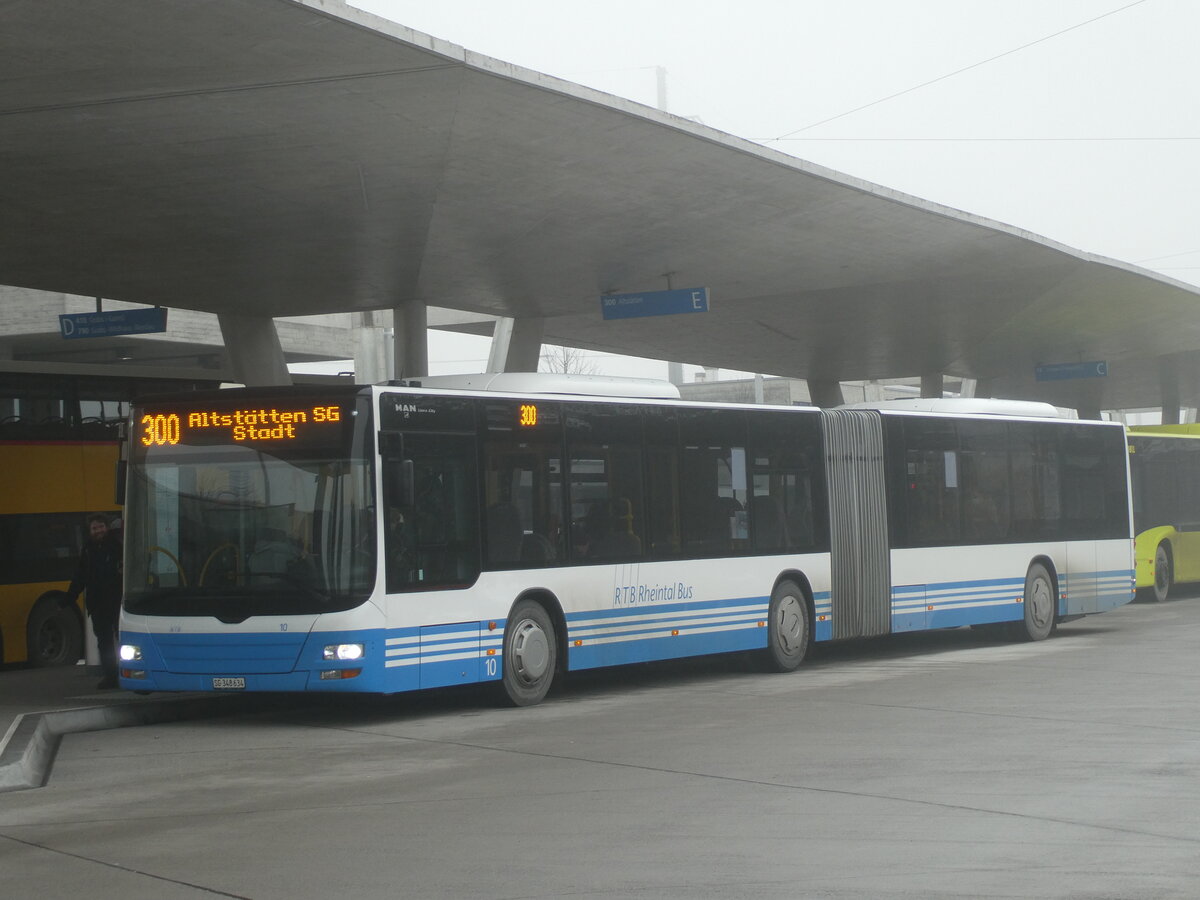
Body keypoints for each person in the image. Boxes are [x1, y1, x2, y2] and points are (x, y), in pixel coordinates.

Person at [67, 513, 123, 689]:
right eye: (94, 528)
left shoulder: (116, 546)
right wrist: (70, 596)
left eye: (101, 527)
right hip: (98, 604)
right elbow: (80, 575)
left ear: (106, 527)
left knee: (124, 638)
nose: (98, 531)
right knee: (104, 641)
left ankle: (130, 672)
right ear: (90, 530)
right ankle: (111, 676)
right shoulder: (88, 549)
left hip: (117, 601)